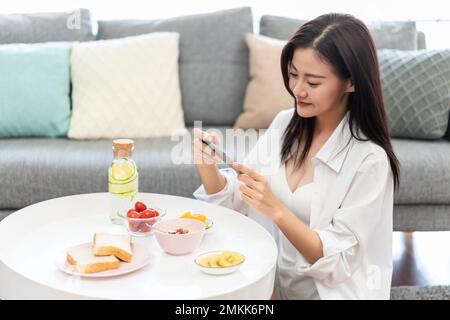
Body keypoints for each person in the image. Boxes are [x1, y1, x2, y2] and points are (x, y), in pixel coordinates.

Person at [191, 13, 400, 300]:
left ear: (350, 82)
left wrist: (276, 209)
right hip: (276, 288)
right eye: (293, 74)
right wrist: (207, 166)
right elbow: (240, 197)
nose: (297, 90)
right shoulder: (284, 123)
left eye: (313, 82)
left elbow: (339, 262)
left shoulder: (370, 161)